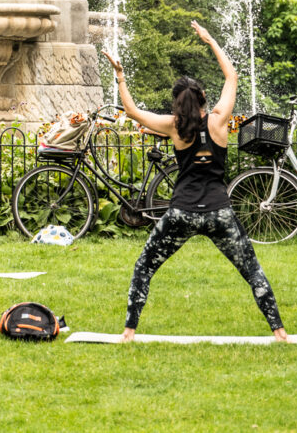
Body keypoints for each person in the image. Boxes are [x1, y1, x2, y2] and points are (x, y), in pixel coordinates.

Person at [103, 20, 287, 343]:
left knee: (144, 267)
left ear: (177, 103)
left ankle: (129, 332)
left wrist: (120, 75)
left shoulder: (174, 127)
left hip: (182, 213)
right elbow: (232, 76)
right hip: (219, 212)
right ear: (203, 97)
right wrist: (209, 39)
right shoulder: (219, 121)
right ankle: (280, 332)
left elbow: (131, 111)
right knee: (252, 271)